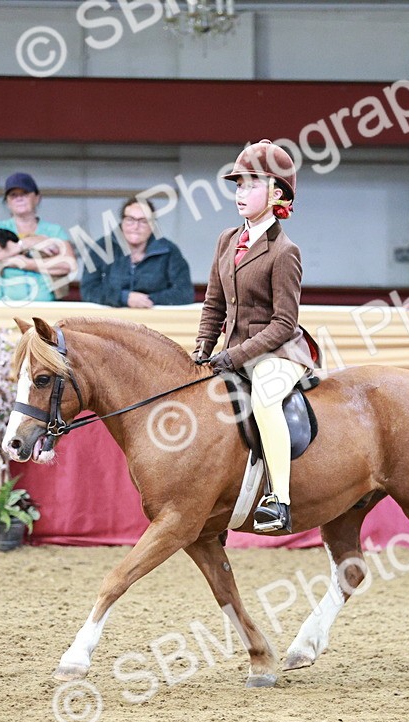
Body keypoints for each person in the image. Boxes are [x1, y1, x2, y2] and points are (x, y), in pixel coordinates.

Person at [193, 140, 319, 535]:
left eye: (251, 185)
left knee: (265, 400)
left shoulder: (284, 251)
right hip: (233, 352)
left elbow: (284, 322)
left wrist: (235, 356)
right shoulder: (226, 240)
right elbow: (214, 304)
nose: (240, 193)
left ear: (277, 194)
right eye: (238, 185)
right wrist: (202, 349)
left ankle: (279, 500)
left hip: (278, 354)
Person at [80, 198, 193, 308]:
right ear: (122, 222)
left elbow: (185, 293)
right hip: (111, 318)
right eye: (130, 219)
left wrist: (145, 300)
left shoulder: (169, 251)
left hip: (155, 317)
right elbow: (88, 290)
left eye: (143, 221)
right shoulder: (101, 248)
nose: (136, 226)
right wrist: (124, 298)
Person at [0, 172, 77, 303]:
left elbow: (68, 264)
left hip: (44, 305)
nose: (19, 199)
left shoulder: (54, 231)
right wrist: (26, 243)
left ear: (37, 198)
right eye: (13, 195)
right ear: (7, 201)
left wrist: (24, 263)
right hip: (2, 304)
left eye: (25, 194)